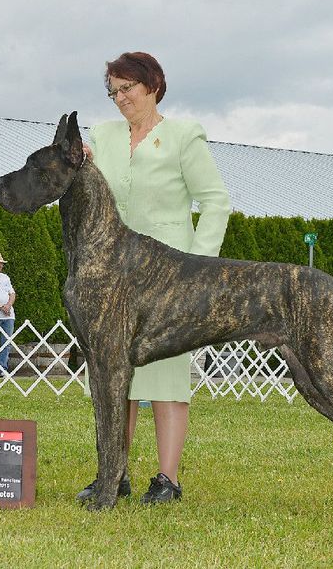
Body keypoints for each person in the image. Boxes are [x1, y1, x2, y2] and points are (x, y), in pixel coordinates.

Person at [77, 52, 231, 505]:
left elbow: (215, 201)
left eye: (127, 88)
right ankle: (114, 474)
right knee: (112, 378)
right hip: (111, 278)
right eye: (113, 91)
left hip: (170, 278)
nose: (120, 98)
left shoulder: (184, 136)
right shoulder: (100, 137)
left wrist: (200, 268)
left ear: (153, 86)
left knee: (165, 379)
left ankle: (167, 479)